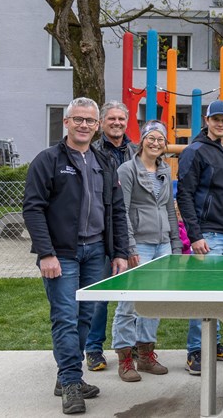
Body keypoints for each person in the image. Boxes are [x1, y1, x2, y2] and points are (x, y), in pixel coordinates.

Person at [22, 97, 129, 414]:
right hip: (62, 255)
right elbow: (33, 209)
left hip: (97, 252)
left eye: (90, 121)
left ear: (97, 127)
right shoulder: (48, 160)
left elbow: (117, 211)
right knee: (66, 318)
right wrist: (46, 254)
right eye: (78, 119)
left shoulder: (104, 162)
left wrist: (119, 252)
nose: (84, 125)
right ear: (66, 122)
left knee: (87, 316)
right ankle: (70, 382)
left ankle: (67, 376)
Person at [176, 100, 223, 376]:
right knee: (204, 293)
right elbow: (184, 195)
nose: (220, 123)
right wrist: (195, 235)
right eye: (215, 119)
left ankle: (215, 343)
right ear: (207, 120)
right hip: (208, 235)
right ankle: (195, 350)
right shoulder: (195, 151)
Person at [110, 120, 181, 382]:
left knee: (153, 302)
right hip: (138, 244)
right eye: (151, 138)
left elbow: (169, 211)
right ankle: (125, 359)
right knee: (129, 302)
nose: (155, 143)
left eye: (160, 139)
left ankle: (146, 354)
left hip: (162, 244)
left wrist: (175, 245)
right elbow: (123, 211)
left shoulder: (165, 170)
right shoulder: (127, 170)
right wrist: (129, 247)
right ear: (142, 141)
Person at [84, 100, 136, 373]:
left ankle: (133, 345)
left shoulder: (136, 151)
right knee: (100, 294)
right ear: (102, 123)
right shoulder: (92, 152)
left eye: (121, 119)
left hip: (131, 230)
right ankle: (94, 348)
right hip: (102, 231)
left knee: (135, 293)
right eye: (111, 119)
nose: (117, 123)